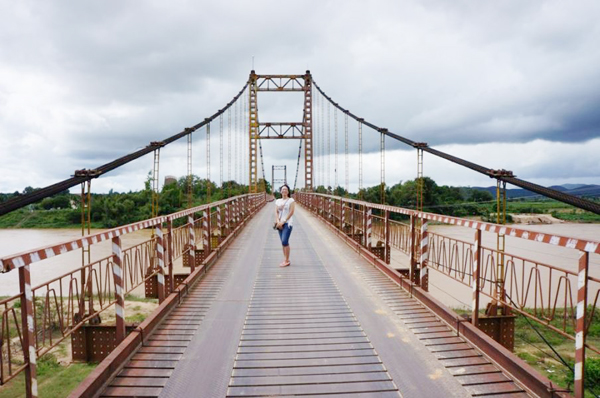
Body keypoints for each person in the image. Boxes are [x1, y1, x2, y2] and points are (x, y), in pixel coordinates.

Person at [274, 184, 295, 267]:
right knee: (283, 243)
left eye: (286, 189)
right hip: (279, 223)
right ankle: (286, 259)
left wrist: (283, 221)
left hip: (287, 223)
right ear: (280, 191)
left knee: (284, 241)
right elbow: (276, 212)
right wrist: (278, 221)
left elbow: (291, 212)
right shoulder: (278, 201)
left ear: (288, 191)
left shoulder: (291, 200)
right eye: (283, 189)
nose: (284, 191)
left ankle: (286, 260)